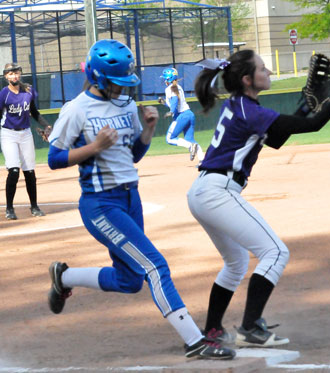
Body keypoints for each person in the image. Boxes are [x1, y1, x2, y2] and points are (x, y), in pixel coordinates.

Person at [46, 39, 235, 360]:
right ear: (99, 78)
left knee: (129, 280)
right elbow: (54, 158)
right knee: (155, 266)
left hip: (131, 199)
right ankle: (194, 340)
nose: (123, 90)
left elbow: (132, 156)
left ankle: (63, 276)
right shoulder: (76, 109)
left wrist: (147, 132)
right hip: (101, 204)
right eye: (116, 84)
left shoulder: (126, 107)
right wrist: (93, 147)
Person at [187, 50, 330, 347]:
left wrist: (303, 107)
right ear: (248, 79)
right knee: (276, 253)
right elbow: (312, 126)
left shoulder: (240, 105)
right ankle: (250, 327)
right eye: (263, 69)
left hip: (203, 191)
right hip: (217, 192)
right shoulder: (252, 112)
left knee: (236, 262)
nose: (269, 72)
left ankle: (213, 330)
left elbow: (275, 137)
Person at [0, 63, 52, 220]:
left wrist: (47, 126)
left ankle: (34, 206)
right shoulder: (4, 94)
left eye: (16, 73)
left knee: (29, 172)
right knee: (14, 171)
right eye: (10, 74)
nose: (14, 76)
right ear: (5, 77)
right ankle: (9, 208)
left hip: (25, 134)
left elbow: (34, 112)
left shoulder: (28, 91)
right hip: (8, 134)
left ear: (20, 74)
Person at [159, 67, 204, 163]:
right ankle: (202, 160)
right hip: (189, 114)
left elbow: (175, 101)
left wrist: (171, 111)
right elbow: (175, 102)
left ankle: (190, 146)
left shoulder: (169, 88)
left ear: (169, 78)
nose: (164, 80)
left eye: (165, 78)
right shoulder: (178, 87)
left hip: (181, 116)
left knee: (170, 138)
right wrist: (164, 103)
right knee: (189, 139)